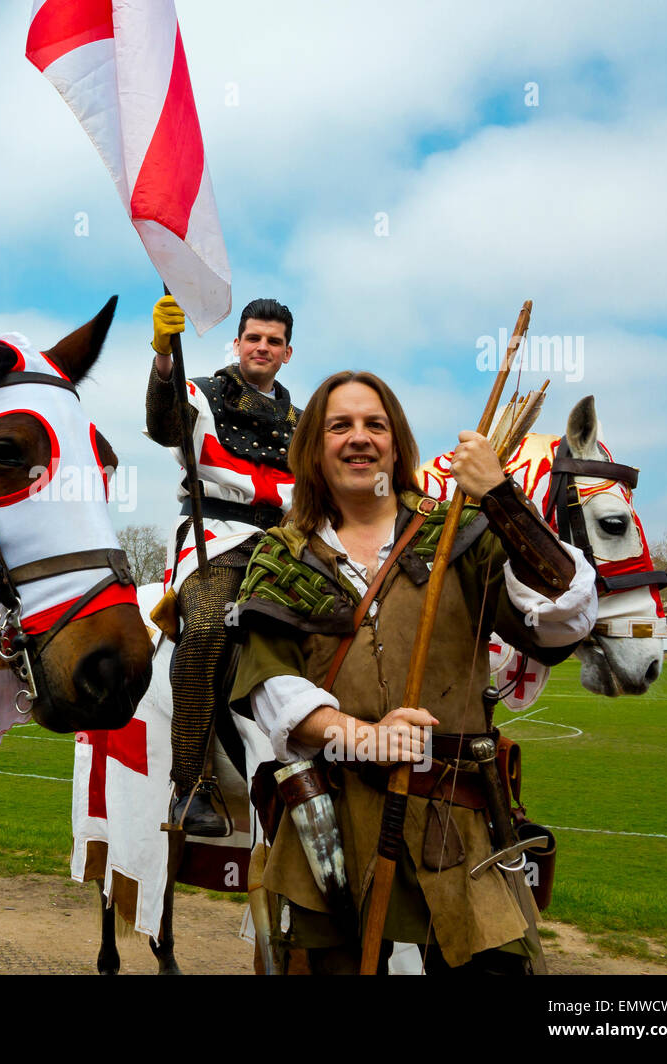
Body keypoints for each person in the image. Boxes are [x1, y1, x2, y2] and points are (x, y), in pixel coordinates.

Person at [229, 370, 597, 973]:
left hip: (459, 818)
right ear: (313, 448)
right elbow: (270, 683)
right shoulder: (283, 555)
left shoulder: (460, 531)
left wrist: (502, 498)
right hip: (333, 821)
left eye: (375, 424)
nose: (358, 438)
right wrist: (361, 735)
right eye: (339, 425)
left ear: (396, 443)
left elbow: (565, 613)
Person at [145, 294, 300, 835]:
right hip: (217, 533)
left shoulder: (304, 421)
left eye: (273, 341)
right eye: (253, 337)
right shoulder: (200, 390)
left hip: (286, 542)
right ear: (237, 343)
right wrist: (165, 358)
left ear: (287, 353)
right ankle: (189, 787)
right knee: (210, 626)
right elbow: (167, 428)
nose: (262, 347)